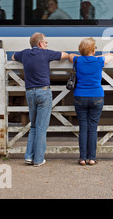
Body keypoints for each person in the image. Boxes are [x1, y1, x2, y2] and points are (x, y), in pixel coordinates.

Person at [12, 32, 69, 166]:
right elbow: (64, 55)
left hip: (30, 93)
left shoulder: (25, 53)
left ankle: (29, 156)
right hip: (43, 92)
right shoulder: (46, 53)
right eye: (45, 42)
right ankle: (38, 159)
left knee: (33, 126)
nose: (47, 44)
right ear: (40, 44)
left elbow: (14, 56)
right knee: (41, 127)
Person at [69, 37, 113, 166]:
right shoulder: (99, 61)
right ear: (93, 50)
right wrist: (98, 55)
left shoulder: (77, 60)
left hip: (80, 97)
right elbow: (111, 55)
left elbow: (71, 56)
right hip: (96, 97)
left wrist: (84, 54)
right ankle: (92, 158)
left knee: (83, 127)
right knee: (92, 128)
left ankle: (82, 158)